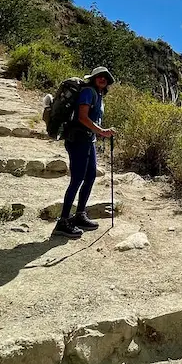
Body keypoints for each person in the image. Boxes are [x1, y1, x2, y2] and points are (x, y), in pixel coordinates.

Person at [53, 66, 117, 239]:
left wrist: (99, 132)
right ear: (93, 78)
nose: (102, 79)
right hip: (78, 140)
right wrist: (102, 131)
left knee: (89, 177)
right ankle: (63, 220)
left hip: (88, 141)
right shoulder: (88, 91)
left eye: (105, 77)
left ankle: (80, 214)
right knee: (77, 179)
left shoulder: (98, 94)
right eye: (99, 76)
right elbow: (82, 117)